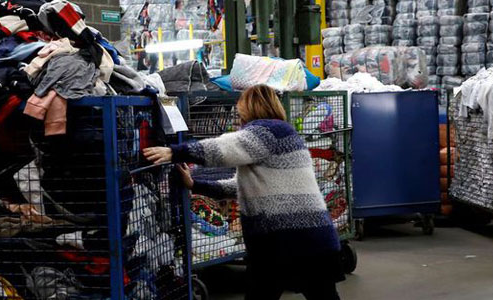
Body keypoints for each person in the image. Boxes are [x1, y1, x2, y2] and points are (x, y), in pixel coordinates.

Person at [143, 84, 345, 300]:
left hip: (293, 242)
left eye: (240, 111)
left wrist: (175, 152)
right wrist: (195, 184)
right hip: (299, 242)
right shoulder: (280, 134)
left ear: (251, 108)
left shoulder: (269, 132)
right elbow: (240, 187)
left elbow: (224, 149)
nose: (237, 117)